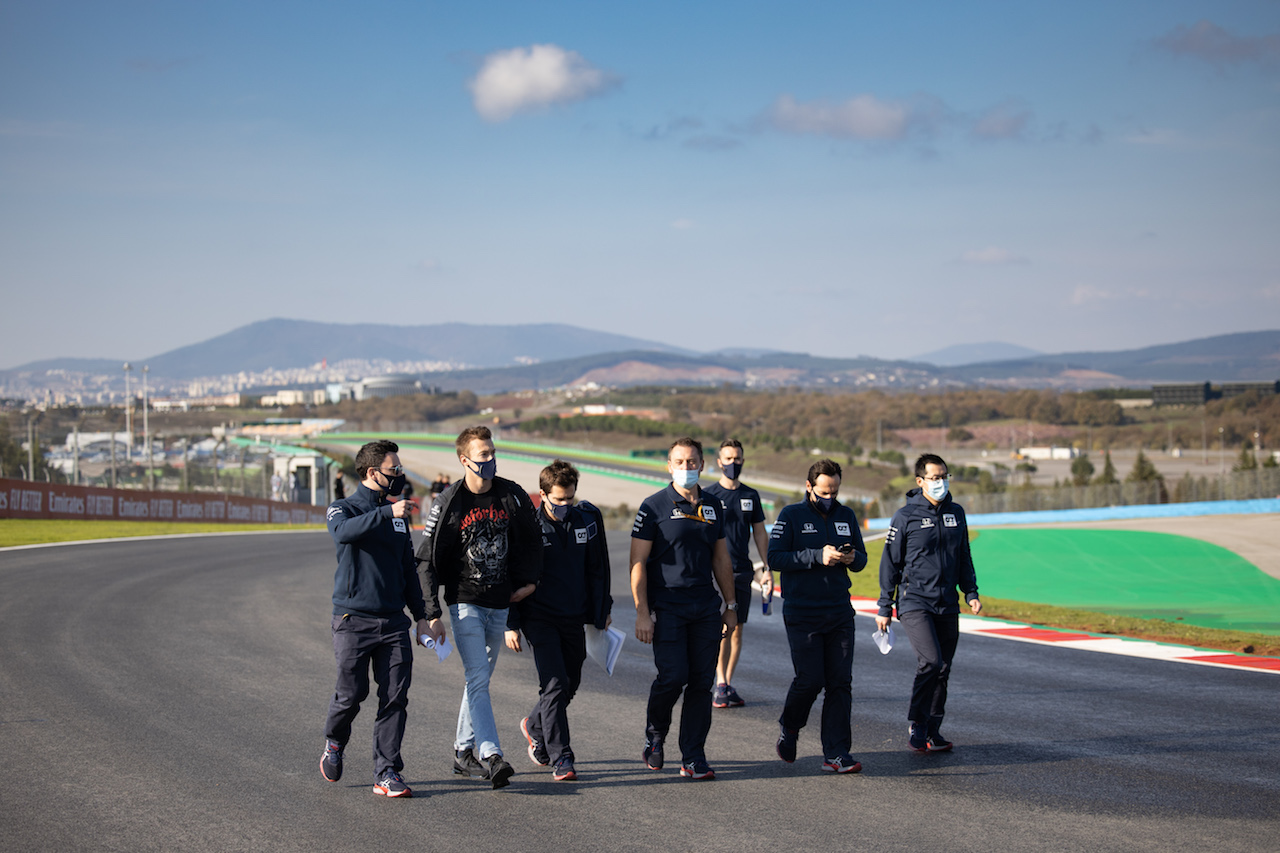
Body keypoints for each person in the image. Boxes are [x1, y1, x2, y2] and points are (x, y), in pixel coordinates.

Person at [415, 426, 541, 789]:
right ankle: (491, 754)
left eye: (491, 452)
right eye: (482, 455)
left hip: (500, 602)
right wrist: (432, 612)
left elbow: (533, 542)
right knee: (477, 676)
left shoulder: (511, 494)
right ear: (464, 459)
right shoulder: (449, 501)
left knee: (479, 679)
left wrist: (531, 582)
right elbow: (424, 559)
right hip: (464, 601)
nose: (489, 460)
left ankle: (461, 750)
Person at [320, 439, 444, 798]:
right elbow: (342, 534)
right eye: (394, 470)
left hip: (392, 624)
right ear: (373, 473)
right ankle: (334, 741)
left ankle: (386, 771)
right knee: (351, 695)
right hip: (352, 620)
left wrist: (422, 616)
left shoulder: (399, 519)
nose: (400, 475)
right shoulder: (342, 509)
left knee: (395, 698)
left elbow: (408, 571)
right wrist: (387, 514)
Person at [630, 437, 738, 781]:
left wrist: (730, 605)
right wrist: (642, 612)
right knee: (673, 677)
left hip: (705, 607)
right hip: (668, 607)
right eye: (680, 462)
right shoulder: (653, 507)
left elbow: (721, 558)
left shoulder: (713, 507)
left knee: (702, 683)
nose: (686, 468)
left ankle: (693, 756)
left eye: (692, 462)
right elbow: (638, 563)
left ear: (703, 465)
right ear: (669, 465)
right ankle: (655, 735)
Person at [505, 460, 612, 782]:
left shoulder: (588, 520)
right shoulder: (528, 526)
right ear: (542, 495)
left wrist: (601, 609)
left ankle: (535, 726)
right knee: (553, 684)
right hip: (538, 617)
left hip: (574, 617)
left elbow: (599, 569)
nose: (565, 505)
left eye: (570, 499)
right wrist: (511, 624)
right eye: (558, 500)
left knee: (570, 683)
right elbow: (512, 576)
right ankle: (561, 757)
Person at [767, 458, 867, 774]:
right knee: (810, 679)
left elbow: (862, 559)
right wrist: (816, 556)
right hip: (802, 612)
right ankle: (791, 725)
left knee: (840, 682)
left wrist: (851, 557)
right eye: (824, 491)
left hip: (839, 611)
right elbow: (775, 557)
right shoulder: (791, 515)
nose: (829, 497)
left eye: (834, 491)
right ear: (809, 486)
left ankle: (836, 754)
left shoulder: (846, 515)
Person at [877, 453, 982, 753]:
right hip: (915, 601)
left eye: (945, 476)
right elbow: (890, 564)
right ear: (920, 481)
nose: (941, 482)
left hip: (947, 601)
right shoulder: (904, 516)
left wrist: (971, 591)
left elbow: (964, 555)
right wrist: (885, 606)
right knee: (931, 662)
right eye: (935, 477)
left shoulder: (956, 513)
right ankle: (917, 722)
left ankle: (933, 729)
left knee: (944, 668)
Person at [702, 439, 771, 708]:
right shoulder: (708, 495)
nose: (733, 463)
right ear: (719, 462)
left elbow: (760, 532)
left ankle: (727, 683)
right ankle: (719, 682)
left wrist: (766, 566)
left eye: (737, 458)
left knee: (738, 631)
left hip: (742, 571)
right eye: (728, 459)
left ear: (743, 460)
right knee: (723, 628)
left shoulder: (750, 496)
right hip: (716, 573)